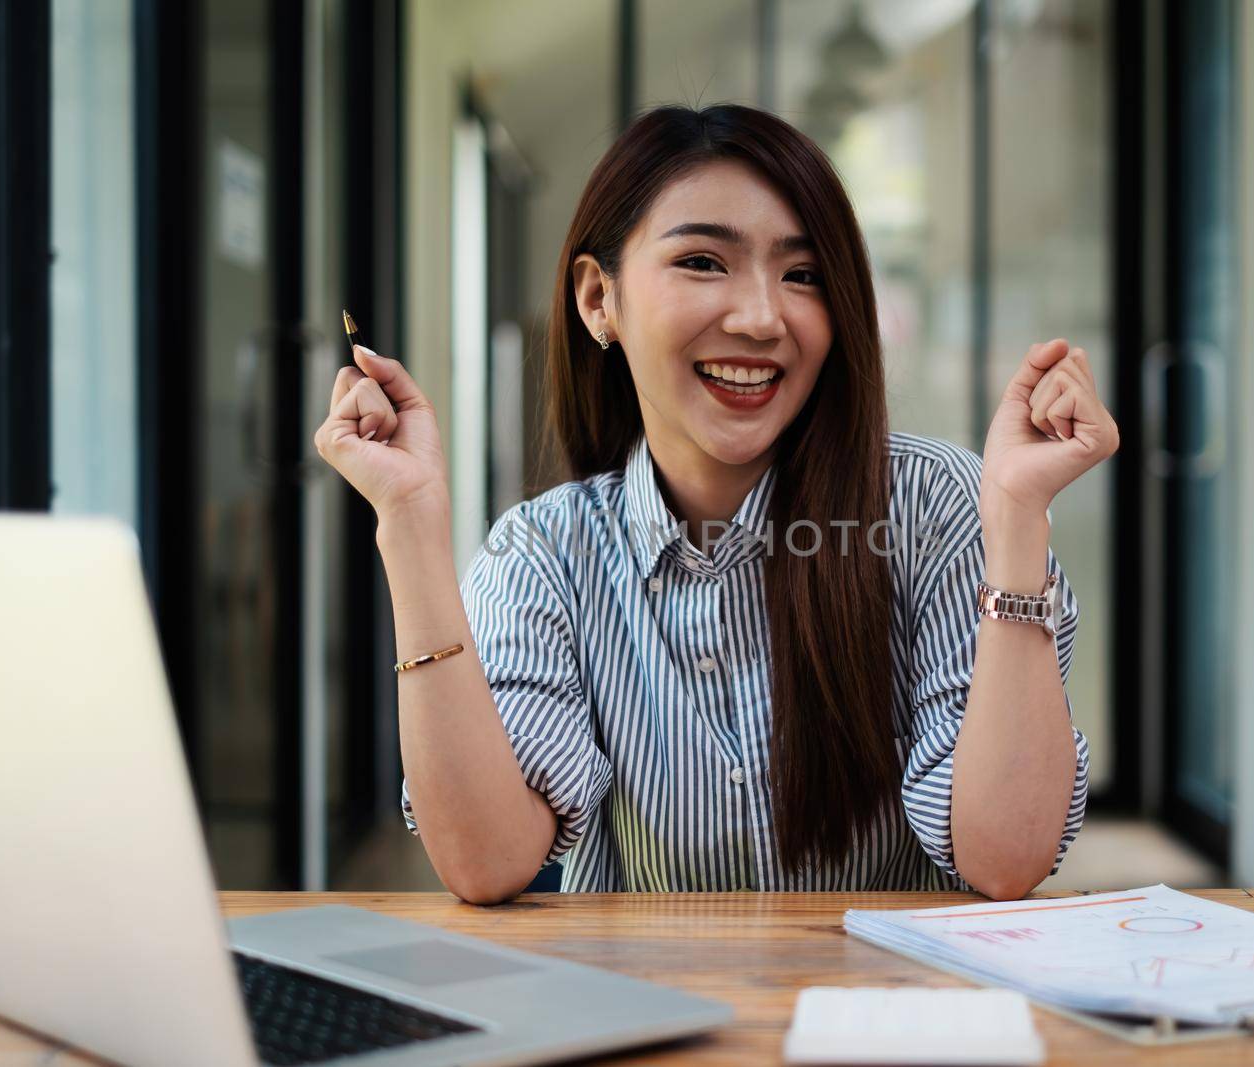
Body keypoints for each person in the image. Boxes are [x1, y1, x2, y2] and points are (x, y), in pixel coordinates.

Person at [315, 104, 1118, 904]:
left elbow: (1007, 856)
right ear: (600, 300)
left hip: (887, 1018)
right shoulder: (545, 553)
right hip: (650, 1017)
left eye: (802, 275)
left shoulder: (939, 507)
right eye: (703, 262)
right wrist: (411, 523)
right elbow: (488, 860)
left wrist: (1015, 517)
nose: (762, 317)